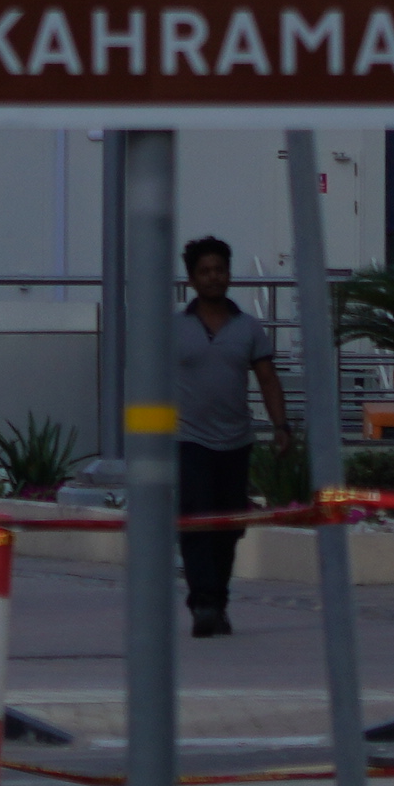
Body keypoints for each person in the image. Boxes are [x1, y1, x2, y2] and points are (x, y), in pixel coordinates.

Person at [164, 235, 301, 641]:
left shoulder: (248, 328)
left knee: (227, 527)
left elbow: (268, 379)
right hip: (189, 440)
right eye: (204, 271)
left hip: (235, 442)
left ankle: (218, 601)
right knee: (195, 523)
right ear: (191, 279)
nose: (213, 278)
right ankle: (202, 602)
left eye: (219, 270)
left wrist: (281, 427)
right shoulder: (175, 328)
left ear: (229, 274)